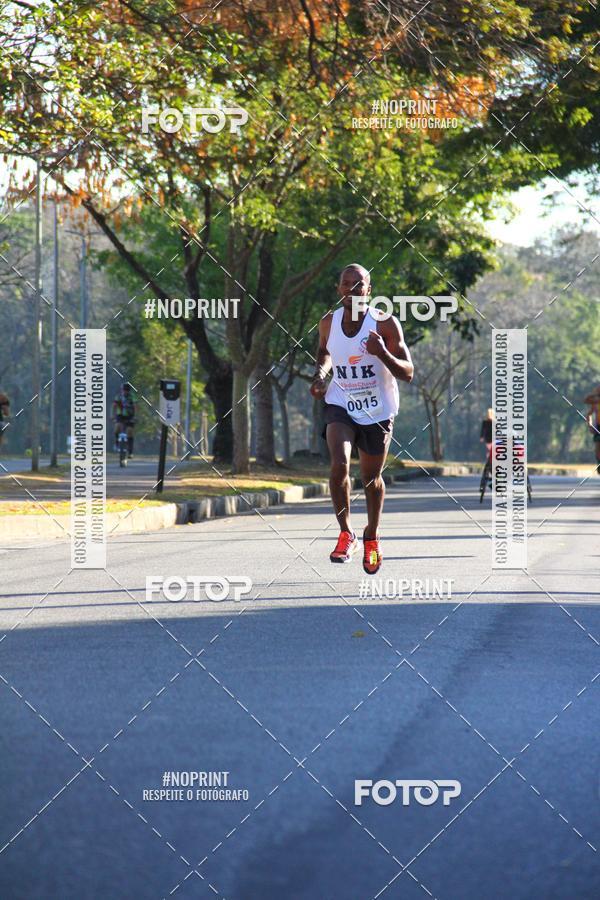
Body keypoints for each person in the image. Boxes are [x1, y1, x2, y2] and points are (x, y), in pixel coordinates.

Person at [310, 264, 413, 574]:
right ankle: (346, 533)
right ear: (339, 288)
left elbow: (408, 373)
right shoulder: (328, 322)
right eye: (347, 283)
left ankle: (372, 535)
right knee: (339, 463)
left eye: (359, 284)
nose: (353, 289)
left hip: (377, 410)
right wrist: (320, 375)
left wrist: (381, 353)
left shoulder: (385, 324)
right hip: (340, 402)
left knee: (371, 479)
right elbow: (324, 352)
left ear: (369, 289)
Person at [112, 382, 136, 457]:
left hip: (130, 416)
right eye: (124, 390)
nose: (125, 391)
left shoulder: (132, 397)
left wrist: (135, 416)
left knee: (130, 431)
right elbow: (114, 406)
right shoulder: (118, 396)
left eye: (127, 390)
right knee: (117, 427)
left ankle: (130, 452)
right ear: (121, 390)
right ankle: (116, 444)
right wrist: (112, 415)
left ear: (129, 391)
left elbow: (136, 407)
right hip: (120, 415)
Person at [584, 386, 600, 473]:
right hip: (599, 427)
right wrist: (590, 425)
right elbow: (586, 400)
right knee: (597, 448)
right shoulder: (596, 403)